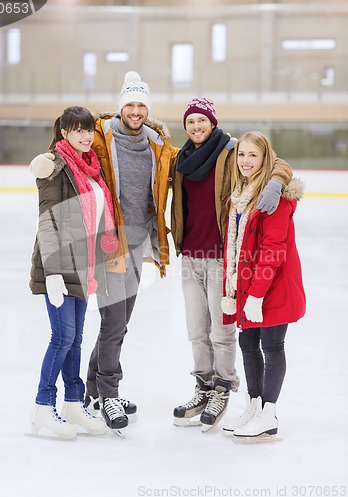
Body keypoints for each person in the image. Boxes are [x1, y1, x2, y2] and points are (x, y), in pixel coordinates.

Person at [30, 72, 179, 432]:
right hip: (104, 248)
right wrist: (44, 161)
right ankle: (106, 393)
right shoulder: (99, 138)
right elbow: (61, 155)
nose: (135, 110)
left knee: (119, 323)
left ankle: (92, 390)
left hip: (134, 242)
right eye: (129, 103)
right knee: (108, 325)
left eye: (142, 104)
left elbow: (189, 166)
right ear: (120, 107)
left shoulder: (158, 144)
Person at [170, 99, 293, 432]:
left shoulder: (231, 150)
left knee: (221, 332)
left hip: (221, 255)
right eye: (191, 121)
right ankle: (203, 387)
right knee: (197, 331)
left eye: (202, 120)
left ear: (213, 122)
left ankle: (223, 389)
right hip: (190, 255)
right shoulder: (179, 158)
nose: (196, 126)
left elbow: (274, 161)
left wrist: (275, 182)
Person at [29, 106, 119, 439]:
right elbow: (48, 221)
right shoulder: (54, 167)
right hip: (60, 267)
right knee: (63, 338)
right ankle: (42, 407)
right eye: (77, 130)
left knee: (76, 340)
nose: (85, 135)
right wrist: (52, 273)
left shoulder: (91, 168)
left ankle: (72, 403)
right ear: (63, 132)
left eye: (89, 130)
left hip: (83, 267)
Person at [221, 131, 306, 441]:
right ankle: (254, 406)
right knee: (247, 345)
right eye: (242, 154)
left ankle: (269, 414)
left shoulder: (276, 196)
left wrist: (256, 294)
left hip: (273, 286)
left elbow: (273, 249)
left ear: (265, 158)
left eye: (253, 155)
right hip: (249, 284)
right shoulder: (242, 191)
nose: (246, 161)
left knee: (271, 347)